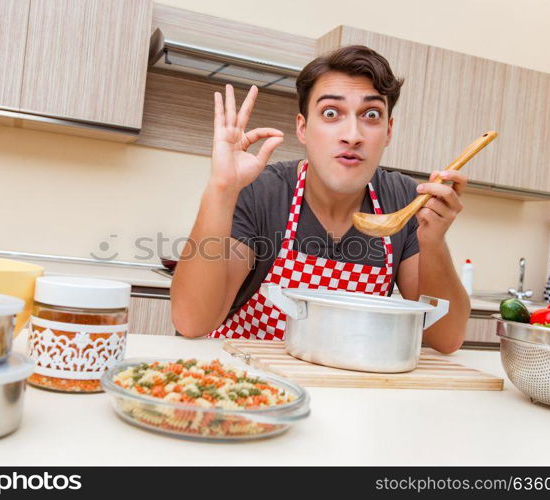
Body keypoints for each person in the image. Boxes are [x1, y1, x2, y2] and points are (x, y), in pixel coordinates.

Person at [171, 45, 470, 353]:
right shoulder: (263, 192)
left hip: (347, 387)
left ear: (389, 131)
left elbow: (445, 339)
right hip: (252, 386)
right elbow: (192, 322)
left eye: (371, 114)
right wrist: (221, 189)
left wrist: (432, 240)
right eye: (331, 113)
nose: (352, 135)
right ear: (303, 127)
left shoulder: (404, 201)